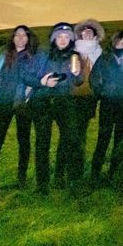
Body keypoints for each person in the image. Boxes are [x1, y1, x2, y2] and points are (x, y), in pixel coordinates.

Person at [21, 22, 85, 194]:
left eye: (66, 37)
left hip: (64, 101)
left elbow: (78, 81)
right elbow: (25, 74)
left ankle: (71, 181)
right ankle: (42, 185)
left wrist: (78, 74)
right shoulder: (42, 55)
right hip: (42, 101)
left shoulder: (74, 56)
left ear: (70, 40)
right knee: (42, 143)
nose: (63, 40)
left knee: (71, 140)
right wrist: (42, 82)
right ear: (54, 38)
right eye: (59, 36)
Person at [0, 25, 38, 195]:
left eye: (24, 35)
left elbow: (37, 81)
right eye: (17, 35)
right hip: (3, 106)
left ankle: (21, 179)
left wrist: (30, 96)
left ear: (28, 38)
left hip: (24, 106)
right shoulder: (2, 56)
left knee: (24, 143)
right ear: (12, 38)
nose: (20, 38)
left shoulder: (33, 58)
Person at [89, 30, 123, 180]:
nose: (121, 45)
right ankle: (95, 173)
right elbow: (94, 76)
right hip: (108, 103)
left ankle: (114, 172)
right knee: (103, 138)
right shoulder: (105, 57)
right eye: (118, 42)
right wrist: (100, 92)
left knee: (120, 138)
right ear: (113, 42)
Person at [69, 19, 104, 183]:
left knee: (81, 132)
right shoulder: (74, 53)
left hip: (90, 99)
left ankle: (77, 168)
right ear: (80, 34)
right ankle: (73, 170)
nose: (88, 33)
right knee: (75, 134)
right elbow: (72, 76)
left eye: (91, 32)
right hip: (73, 98)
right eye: (85, 31)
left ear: (95, 36)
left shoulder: (99, 53)